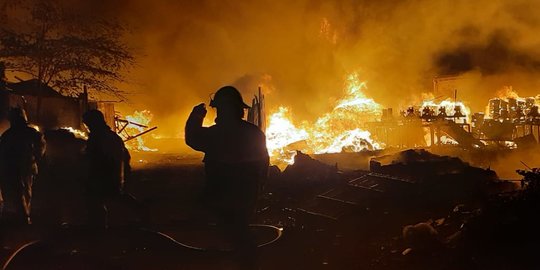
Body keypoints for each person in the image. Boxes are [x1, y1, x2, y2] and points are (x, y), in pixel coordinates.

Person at [185, 86, 269, 255]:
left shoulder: (215, 134)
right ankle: (245, 258)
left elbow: (192, 138)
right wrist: (260, 188)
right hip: (247, 193)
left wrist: (196, 117)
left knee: (228, 231)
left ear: (222, 110)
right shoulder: (254, 133)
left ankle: (234, 258)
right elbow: (263, 162)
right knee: (240, 229)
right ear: (240, 110)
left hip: (219, 193)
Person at [82, 109, 131, 228]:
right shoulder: (113, 137)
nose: (87, 127)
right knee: (112, 205)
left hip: (102, 178)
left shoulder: (98, 138)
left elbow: (94, 159)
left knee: (98, 208)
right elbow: (126, 157)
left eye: (88, 124)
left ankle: (102, 233)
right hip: (112, 178)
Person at [0, 107, 45, 225]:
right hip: (21, 169)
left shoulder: (7, 135)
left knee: (19, 195)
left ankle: (22, 220)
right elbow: (40, 150)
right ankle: (22, 219)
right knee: (22, 194)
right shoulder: (31, 133)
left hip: (20, 169)